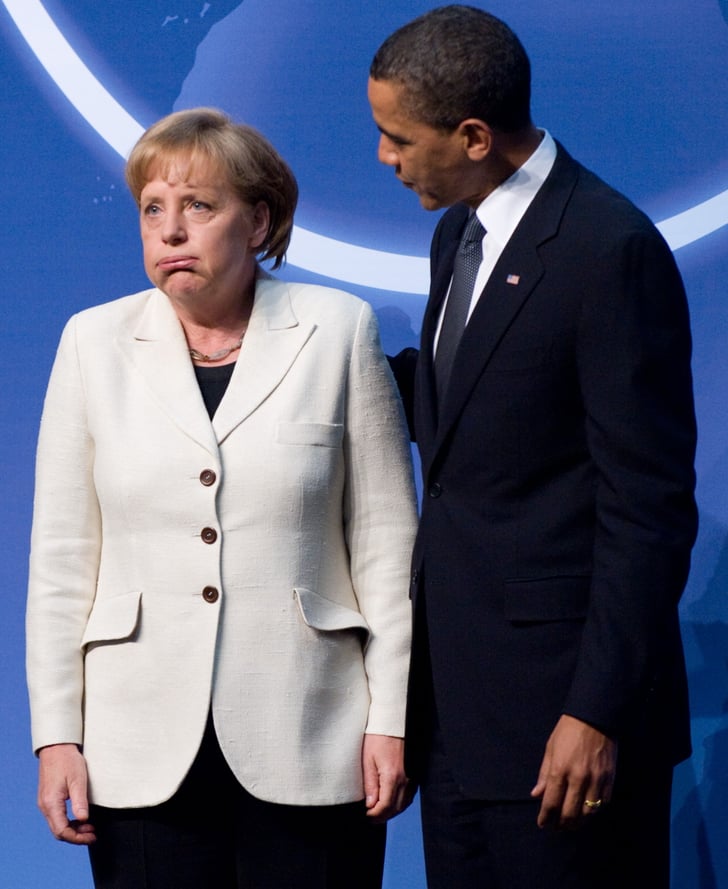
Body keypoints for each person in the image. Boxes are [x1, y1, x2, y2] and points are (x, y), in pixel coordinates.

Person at [26, 107, 418, 889]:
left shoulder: (337, 329)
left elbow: (386, 545)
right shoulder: (90, 343)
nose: (170, 230)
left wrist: (391, 718)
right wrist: (56, 737)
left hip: (312, 731)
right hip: (136, 744)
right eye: (152, 209)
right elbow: (63, 559)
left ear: (259, 220)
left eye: (198, 207)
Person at [367, 6, 698, 888]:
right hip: (462, 721)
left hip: (565, 731)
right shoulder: (458, 232)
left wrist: (595, 712)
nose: (385, 159)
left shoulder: (608, 249)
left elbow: (650, 508)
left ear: (473, 136)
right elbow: (464, 405)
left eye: (397, 138)